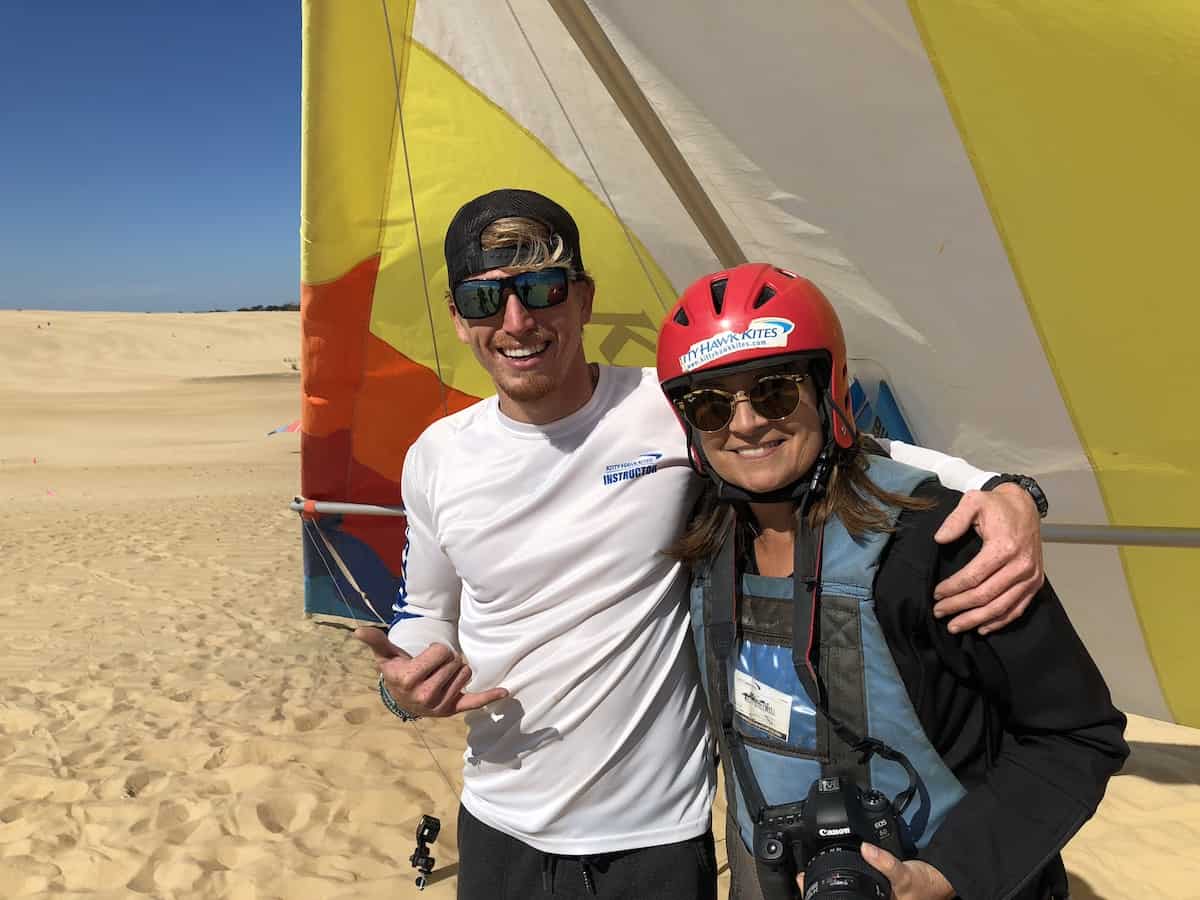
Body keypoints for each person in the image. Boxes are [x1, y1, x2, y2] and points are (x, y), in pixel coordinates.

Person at [355, 189, 1049, 900]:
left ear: (584, 299)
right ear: (458, 319)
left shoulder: (678, 405)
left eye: (541, 289)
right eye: (484, 300)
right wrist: (405, 687)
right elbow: (427, 611)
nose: (517, 321)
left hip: (654, 835)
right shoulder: (436, 456)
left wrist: (1009, 489)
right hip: (499, 821)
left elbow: (856, 448)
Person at [654, 263, 1127, 900]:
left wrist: (943, 876)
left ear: (826, 391)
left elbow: (1074, 734)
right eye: (711, 406)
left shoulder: (937, 548)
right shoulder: (704, 544)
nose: (743, 424)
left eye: (773, 393)